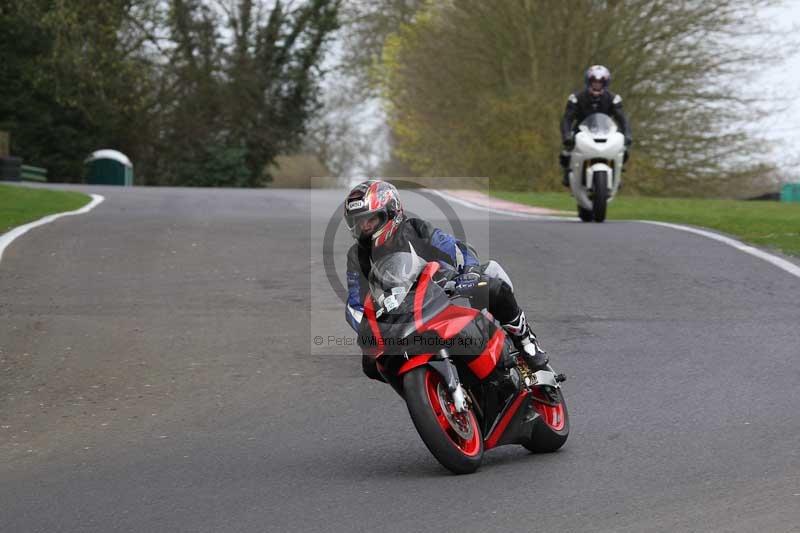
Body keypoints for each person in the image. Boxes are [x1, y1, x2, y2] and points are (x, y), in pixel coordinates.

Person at [343, 179, 549, 381]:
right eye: (359, 222)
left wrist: (470, 271)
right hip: (401, 313)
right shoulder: (357, 256)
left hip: (442, 288)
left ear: (391, 212)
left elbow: (456, 249)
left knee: (491, 283)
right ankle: (426, 387)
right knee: (371, 365)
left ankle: (524, 341)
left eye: (371, 219)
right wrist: (372, 330)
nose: (365, 227)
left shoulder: (415, 229)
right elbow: (355, 304)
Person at [560, 65, 632, 187]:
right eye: (594, 82)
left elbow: (622, 119)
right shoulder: (576, 98)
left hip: (607, 132)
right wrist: (567, 135)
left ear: (605, 83)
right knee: (566, 153)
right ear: (588, 82)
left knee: (624, 151)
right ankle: (568, 174)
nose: (597, 85)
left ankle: (617, 174)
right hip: (581, 132)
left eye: (600, 83)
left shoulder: (613, 99)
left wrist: (627, 134)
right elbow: (567, 119)